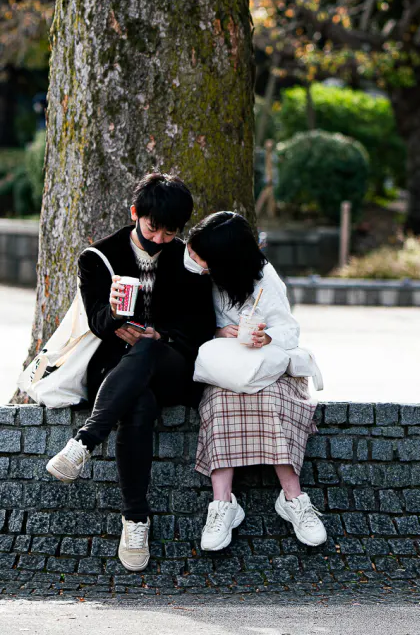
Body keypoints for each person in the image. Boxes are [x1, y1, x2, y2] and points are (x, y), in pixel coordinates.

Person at [45, 172, 215, 572]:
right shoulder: (98, 257)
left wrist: (162, 333)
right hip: (117, 368)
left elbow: (201, 323)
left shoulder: (185, 259)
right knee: (138, 404)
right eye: (153, 228)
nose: (159, 240)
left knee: (151, 347)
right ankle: (135, 519)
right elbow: (99, 322)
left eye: (169, 233)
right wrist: (119, 314)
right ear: (136, 212)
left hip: (172, 364)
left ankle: (84, 442)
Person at [185, 211, 326, 552]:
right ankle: (222, 505)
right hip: (225, 368)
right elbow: (188, 323)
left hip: (267, 366)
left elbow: (290, 331)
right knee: (220, 401)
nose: (195, 261)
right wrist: (219, 331)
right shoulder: (196, 271)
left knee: (270, 398)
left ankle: (293, 498)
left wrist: (266, 338)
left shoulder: (264, 279)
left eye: (202, 258)